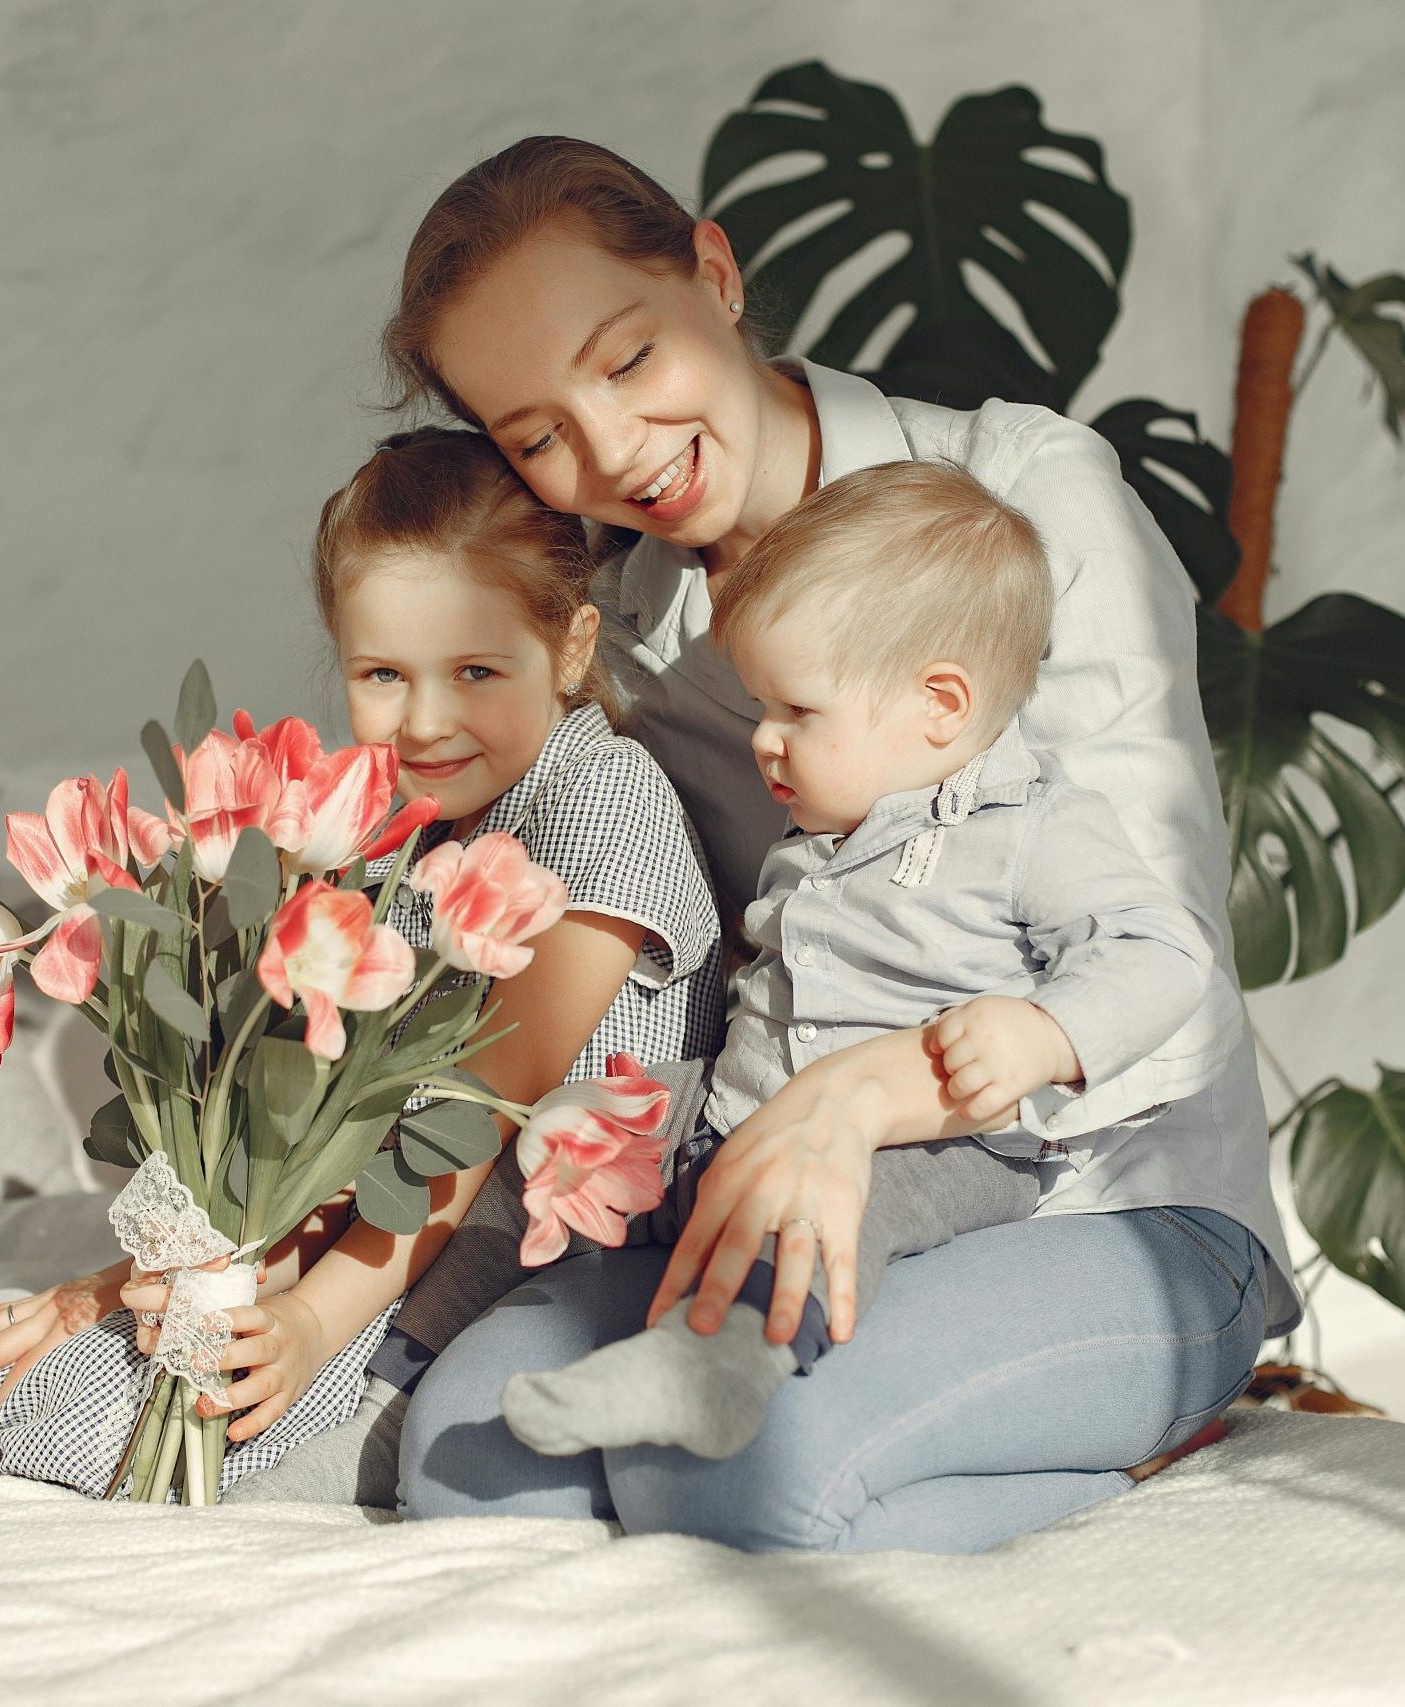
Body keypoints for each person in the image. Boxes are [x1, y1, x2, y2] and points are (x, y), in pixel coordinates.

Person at [379, 134, 1299, 1553]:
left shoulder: (1022, 496)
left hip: (1106, 1199)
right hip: (784, 1181)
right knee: (463, 1457)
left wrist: (867, 1096)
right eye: (535, 433)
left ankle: (1130, 1458)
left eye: (626, 360)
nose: (610, 449)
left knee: (732, 1473)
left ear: (713, 271)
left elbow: (1159, 989)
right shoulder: (625, 634)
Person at [0, 426, 726, 1499]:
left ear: (571, 648)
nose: (426, 720)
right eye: (382, 674)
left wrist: (305, 1320)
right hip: (386, 1231)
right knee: (3, 1397)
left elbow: (476, 1115)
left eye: (476, 670)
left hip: (530, 1262)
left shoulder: (604, 801)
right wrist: (121, 1289)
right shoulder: (408, 831)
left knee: (137, 1452)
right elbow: (336, 1135)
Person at [499, 458, 1223, 1463]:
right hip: (744, 1113)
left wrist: (1044, 1031)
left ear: (940, 704)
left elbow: (1163, 950)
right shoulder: (815, 846)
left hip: (934, 1151)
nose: (765, 740)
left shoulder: (1031, 831)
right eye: (762, 707)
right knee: (609, 1107)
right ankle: (612, 1195)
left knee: (827, 1211)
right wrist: (631, 1119)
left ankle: (721, 1366)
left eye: (798, 710)